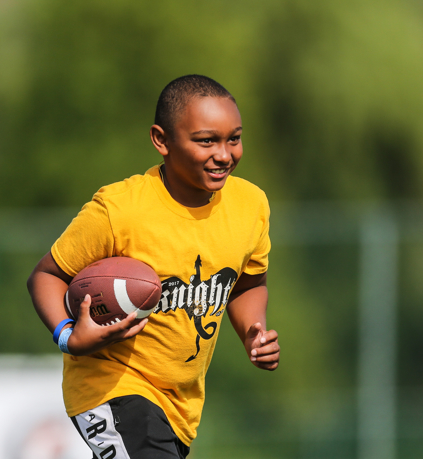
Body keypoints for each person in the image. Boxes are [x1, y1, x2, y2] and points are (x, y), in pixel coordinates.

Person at [27, 74, 280, 459]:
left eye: (234, 138)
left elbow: (248, 284)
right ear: (161, 140)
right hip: (109, 386)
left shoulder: (251, 206)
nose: (225, 154)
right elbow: (46, 276)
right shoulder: (119, 210)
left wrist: (253, 332)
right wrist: (68, 335)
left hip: (180, 404)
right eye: (206, 140)